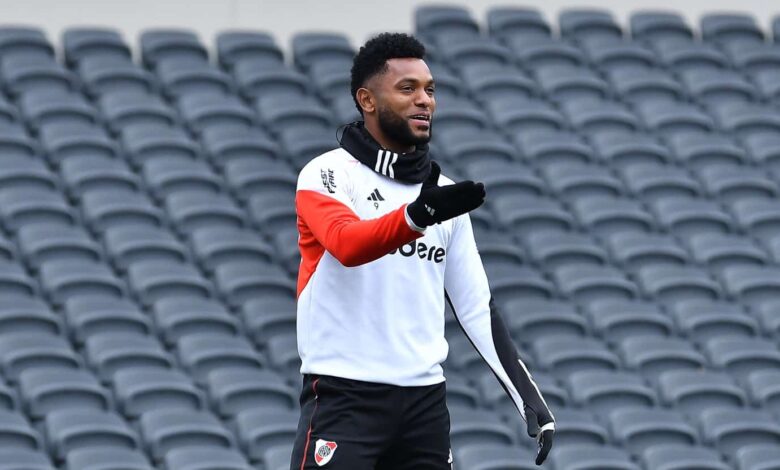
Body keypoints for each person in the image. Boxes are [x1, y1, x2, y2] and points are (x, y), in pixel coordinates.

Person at [290, 32, 555, 470]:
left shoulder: (444, 196)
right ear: (367, 100)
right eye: (407, 88)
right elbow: (346, 244)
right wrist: (417, 216)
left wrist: (529, 399)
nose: (424, 101)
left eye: (430, 90)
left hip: (424, 408)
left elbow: (475, 307)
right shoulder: (326, 174)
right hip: (343, 400)